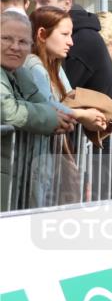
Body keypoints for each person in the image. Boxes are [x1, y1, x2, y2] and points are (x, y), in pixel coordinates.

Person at [1, 11, 76, 210]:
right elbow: (8, 111)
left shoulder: (21, 72)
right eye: (6, 38)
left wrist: (65, 117)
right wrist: (53, 119)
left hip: (17, 176)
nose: (15, 47)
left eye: (23, 41)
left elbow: (42, 101)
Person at [29, 0, 112, 103]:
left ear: (67, 4)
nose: (37, 7)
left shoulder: (82, 39)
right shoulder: (80, 33)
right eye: (34, 2)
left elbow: (61, 97)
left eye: (44, 2)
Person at [24, 6, 107, 132]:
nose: (71, 42)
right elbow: (47, 106)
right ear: (42, 34)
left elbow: (69, 98)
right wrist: (83, 115)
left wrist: (90, 115)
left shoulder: (55, 66)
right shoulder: (33, 65)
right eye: (64, 34)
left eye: (71, 35)